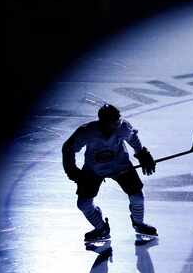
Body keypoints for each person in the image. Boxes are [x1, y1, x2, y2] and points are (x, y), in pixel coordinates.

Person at [62, 103, 158, 241]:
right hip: (93, 170)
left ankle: (139, 223)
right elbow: (68, 148)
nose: (117, 125)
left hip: (120, 166)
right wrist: (71, 170)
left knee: (137, 197)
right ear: (103, 122)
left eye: (118, 121)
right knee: (83, 203)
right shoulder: (87, 132)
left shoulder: (122, 127)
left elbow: (133, 139)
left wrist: (142, 153)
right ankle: (101, 228)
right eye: (113, 123)